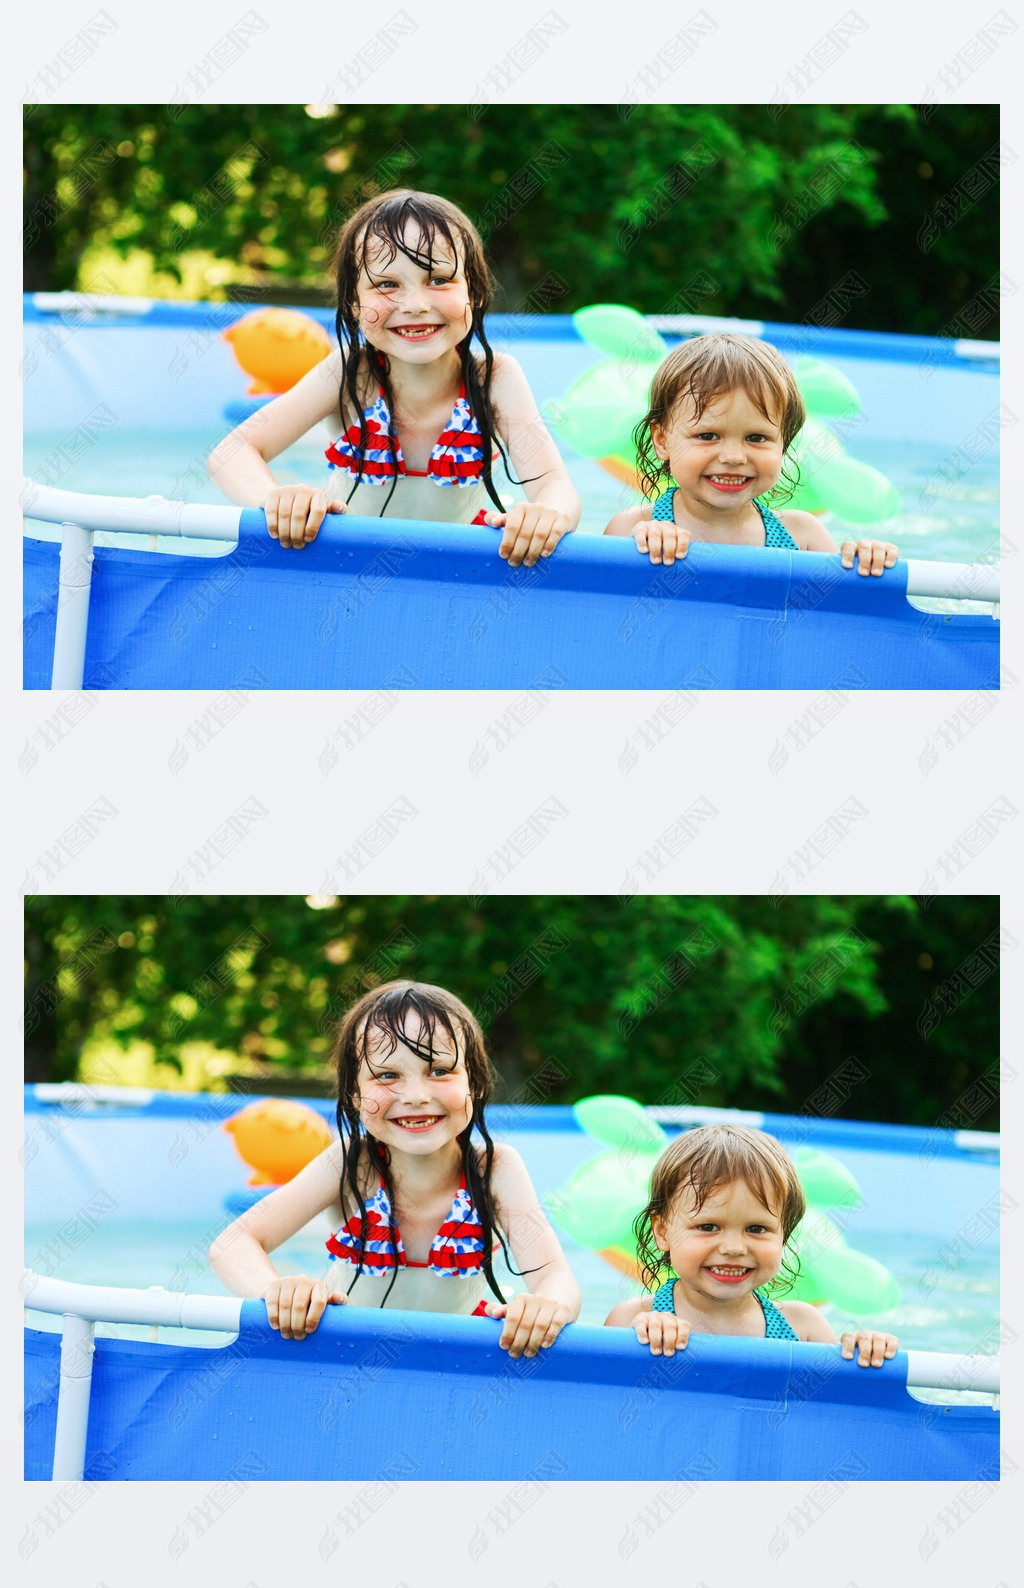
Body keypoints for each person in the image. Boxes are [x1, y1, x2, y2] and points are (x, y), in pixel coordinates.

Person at [208, 190, 580, 568]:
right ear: (354, 305)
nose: (415, 305)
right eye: (386, 284)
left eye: (438, 279)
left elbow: (554, 486)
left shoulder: (494, 378)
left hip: (459, 566)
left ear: (475, 292)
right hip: (349, 561)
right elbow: (230, 453)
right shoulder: (350, 372)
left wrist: (544, 515)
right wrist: (275, 501)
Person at [209, 980, 580, 1358]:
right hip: (349, 1350)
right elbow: (231, 1244)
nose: (416, 1096)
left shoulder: (494, 1169)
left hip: (456, 1355)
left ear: (476, 1084)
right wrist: (277, 1292)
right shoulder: (351, 1163)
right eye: (386, 1076)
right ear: (354, 1096)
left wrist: (544, 1306)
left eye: (439, 1070)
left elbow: (555, 1277)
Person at [604, 334, 900, 576]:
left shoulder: (802, 536)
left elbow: (837, 616)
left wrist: (867, 560)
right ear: (661, 440)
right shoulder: (632, 530)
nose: (733, 456)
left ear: (784, 443)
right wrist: (638, 552)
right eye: (707, 436)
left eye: (756, 438)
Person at [604, 1124, 900, 1366]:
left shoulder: (802, 1327)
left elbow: (837, 1406)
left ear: (784, 1234)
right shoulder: (633, 1321)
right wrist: (639, 1343)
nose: (734, 1247)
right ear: (662, 1231)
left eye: (757, 1229)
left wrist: (866, 1351)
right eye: (708, 1227)